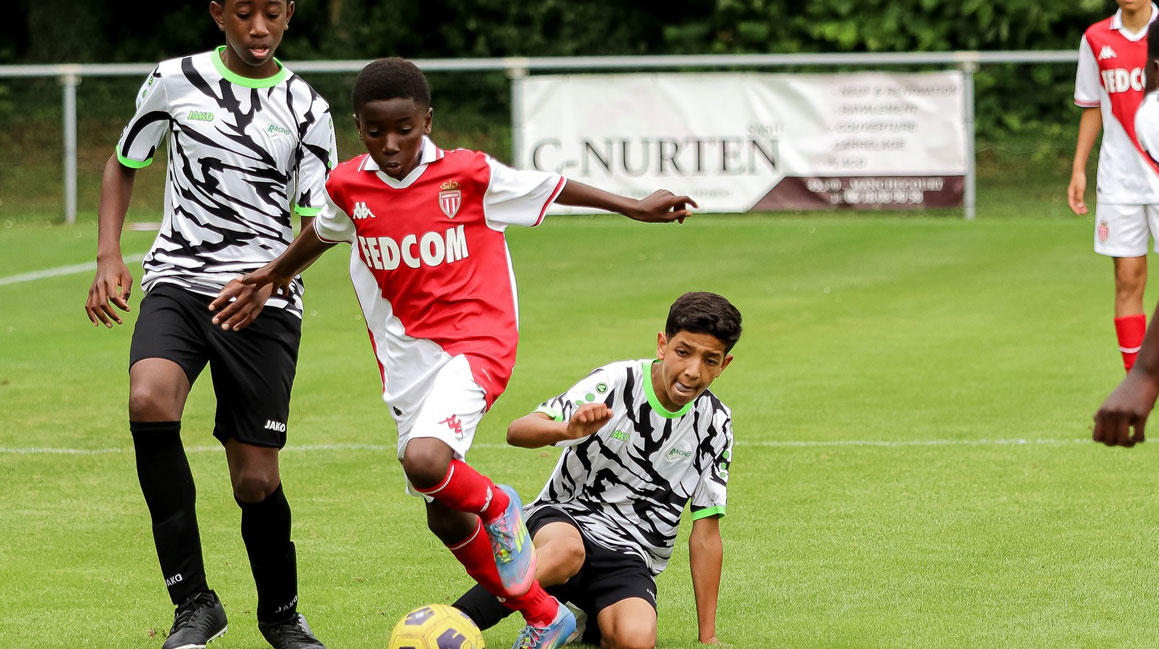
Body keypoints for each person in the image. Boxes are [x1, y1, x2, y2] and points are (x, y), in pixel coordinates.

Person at [206, 57, 696, 649]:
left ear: (427, 120)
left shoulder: (468, 175)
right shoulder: (348, 184)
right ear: (357, 126)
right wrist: (270, 275)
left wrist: (634, 206)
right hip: (407, 358)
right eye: (374, 130)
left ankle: (502, 503)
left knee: (426, 463)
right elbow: (326, 230)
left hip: (477, 342)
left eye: (405, 129)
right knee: (442, 512)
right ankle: (546, 615)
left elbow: (553, 186)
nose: (390, 144)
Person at [82, 2, 336, 648]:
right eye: (245, 12)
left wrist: (272, 280)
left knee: (254, 477)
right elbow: (123, 160)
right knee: (149, 397)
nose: (258, 27)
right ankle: (193, 602)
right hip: (179, 280)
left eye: (272, 13)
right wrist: (109, 253)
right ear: (218, 12)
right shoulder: (173, 79)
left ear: (288, 17)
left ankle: (280, 613)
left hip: (264, 295)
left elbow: (321, 223)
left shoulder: (308, 108)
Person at [452, 292, 740, 649]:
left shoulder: (716, 423)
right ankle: (457, 621)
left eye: (710, 360)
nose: (693, 371)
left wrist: (707, 637)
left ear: (724, 364)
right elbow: (518, 431)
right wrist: (565, 430)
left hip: (631, 554)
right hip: (566, 519)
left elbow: (706, 533)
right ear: (662, 344)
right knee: (566, 552)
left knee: (635, 640)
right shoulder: (616, 382)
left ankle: (571, 615)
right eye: (684, 352)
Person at [1069, 0, 1159, 372]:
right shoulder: (1095, 38)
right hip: (1118, 180)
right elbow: (1092, 105)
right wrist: (1079, 169)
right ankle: (1135, 384)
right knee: (1127, 280)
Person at [1093, 19, 1159, 445]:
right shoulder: (1149, 119)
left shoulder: (1152, 116)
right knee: (1128, 278)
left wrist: (1146, 374)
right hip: (1120, 185)